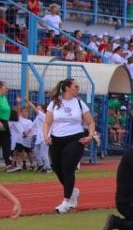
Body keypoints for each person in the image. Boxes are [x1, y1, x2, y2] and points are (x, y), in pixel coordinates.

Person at [42, 78, 99, 214]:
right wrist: (45, 135)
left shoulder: (80, 103)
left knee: (68, 168)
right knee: (57, 167)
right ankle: (72, 191)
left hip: (75, 139)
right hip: (56, 139)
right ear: (67, 88)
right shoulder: (54, 103)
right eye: (76, 86)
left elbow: (90, 122)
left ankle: (66, 202)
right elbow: (47, 122)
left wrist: (90, 136)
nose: (78, 89)